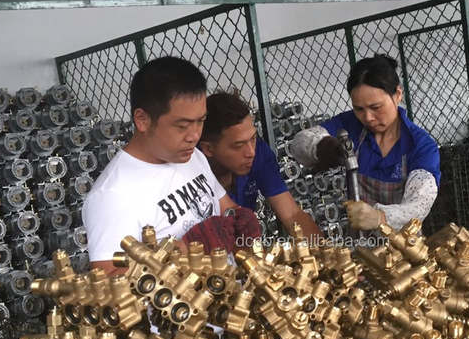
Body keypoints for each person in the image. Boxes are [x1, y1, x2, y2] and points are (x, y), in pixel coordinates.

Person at [83, 56, 241, 274]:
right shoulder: (112, 195)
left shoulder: (192, 156)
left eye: (200, 121)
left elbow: (225, 207)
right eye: (182, 126)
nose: (194, 136)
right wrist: (188, 248)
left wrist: (238, 218)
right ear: (142, 120)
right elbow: (111, 280)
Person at [291, 54, 441, 231]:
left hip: (403, 242)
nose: (368, 117)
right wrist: (324, 147)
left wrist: (380, 217)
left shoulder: (420, 146)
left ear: (398, 95)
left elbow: (420, 204)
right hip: (357, 241)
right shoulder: (350, 126)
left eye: (376, 107)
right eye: (359, 109)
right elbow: (299, 143)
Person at [199, 91, 321, 239]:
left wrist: (324, 249)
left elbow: (292, 214)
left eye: (253, 138)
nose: (251, 152)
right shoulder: (189, 172)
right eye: (238, 145)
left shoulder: (259, 153)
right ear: (208, 149)